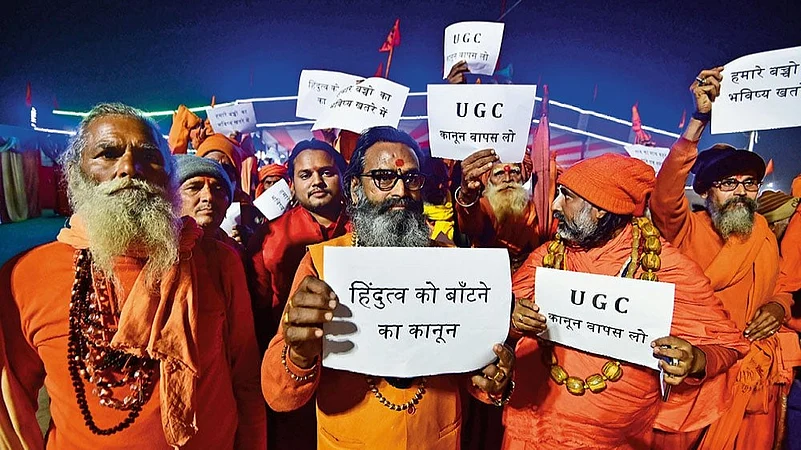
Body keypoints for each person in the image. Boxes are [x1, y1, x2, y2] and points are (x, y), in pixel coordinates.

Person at [0, 103, 265, 449]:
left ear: (168, 174)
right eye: (107, 154)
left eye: (148, 157)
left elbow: (245, 380)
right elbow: (12, 410)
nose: (129, 168)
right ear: (76, 172)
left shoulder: (218, 262)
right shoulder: (26, 276)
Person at [261, 126, 515, 450]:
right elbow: (279, 396)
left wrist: (493, 373)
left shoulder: (448, 260)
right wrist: (299, 354)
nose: (401, 191)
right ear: (355, 189)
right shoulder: (322, 264)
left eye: (411, 179)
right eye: (384, 178)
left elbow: (474, 374)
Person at [505, 153, 748, 449]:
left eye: (565, 196)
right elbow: (496, 323)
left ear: (599, 210)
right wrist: (512, 319)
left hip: (616, 439)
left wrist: (697, 360)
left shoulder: (664, 265)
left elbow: (728, 344)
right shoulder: (547, 257)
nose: (554, 206)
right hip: (531, 430)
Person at [649, 67, 801, 449]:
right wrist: (699, 121)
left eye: (749, 183)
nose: (741, 192)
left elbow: (783, 285)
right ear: (705, 192)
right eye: (727, 184)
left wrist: (780, 308)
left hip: (751, 386)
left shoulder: (764, 233)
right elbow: (664, 197)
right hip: (693, 378)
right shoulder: (687, 229)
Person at [247, 139, 349, 450]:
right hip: (292, 365)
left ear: (343, 178)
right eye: (305, 175)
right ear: (291, 184)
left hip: (351, 362)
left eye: (326, 172)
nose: (316, 181)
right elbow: (259, 314)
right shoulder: (268, 237)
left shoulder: (367, 230)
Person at [455, 149, 540, 273]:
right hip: (488, 274)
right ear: (488, 180)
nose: (507, 178)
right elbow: (470, 225)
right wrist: (467, 196)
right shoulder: (483, 206)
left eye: (514, 172)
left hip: (526, 276)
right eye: (499, 173)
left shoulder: (535, 208)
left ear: (522, 177)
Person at [175, 154, 242, 255]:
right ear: (172, 198)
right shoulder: (156, 253)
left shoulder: (237, 254)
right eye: (194, 188)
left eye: (218, 189)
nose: (209, 197)